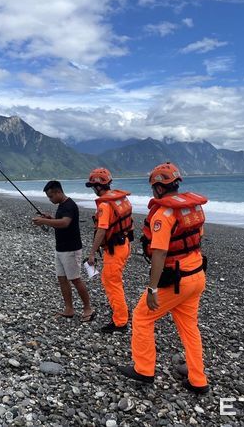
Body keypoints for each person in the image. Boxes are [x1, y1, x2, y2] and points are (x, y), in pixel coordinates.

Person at [118, 162, 210, 394]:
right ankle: (198, 381)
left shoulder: (163, 214)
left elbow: (159, 252)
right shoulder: (194, 209)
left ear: (159, 188)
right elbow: (198, 238)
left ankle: (144, 369)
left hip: (177, 280)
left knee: (141, 316)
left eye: (153, 187)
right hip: (197, 275)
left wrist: (152, 289)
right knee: (190, 328)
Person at [32, 180, 95, 322]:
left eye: (51, 196)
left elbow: (65, 223)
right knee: (62, 279)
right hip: (60, 248)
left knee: (75, 279)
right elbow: (60, 223)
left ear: (58, 192)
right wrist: (50, 218)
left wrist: (44, 221)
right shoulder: (62, 205)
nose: (50, 199)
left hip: (71, 249)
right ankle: (69, 309)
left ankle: (88, 308)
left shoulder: (69, 205)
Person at [86, 168, 134, 333]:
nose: (93, 189)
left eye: (93, 186)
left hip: (115, 249)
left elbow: (102, 229)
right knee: (114, 281)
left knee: (112, 283)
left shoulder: (105, 205)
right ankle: (122, 311)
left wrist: (92, 252)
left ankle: (120, 322)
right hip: (124, 243)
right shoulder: (119, 199)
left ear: (99, 186)